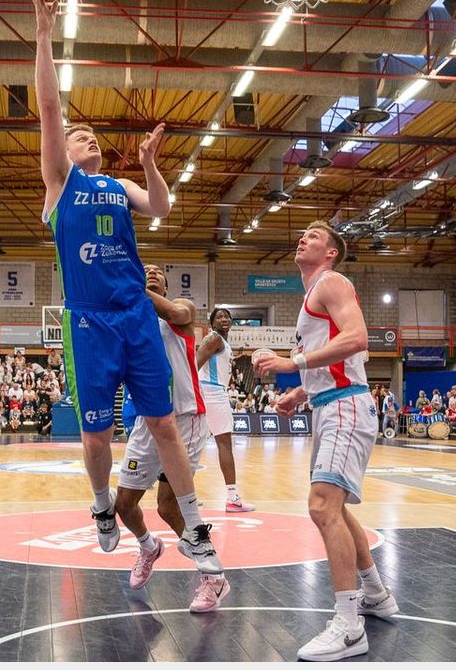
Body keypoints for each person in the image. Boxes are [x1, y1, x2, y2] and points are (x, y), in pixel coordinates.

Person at [31, 0, 217, 564]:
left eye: (90, 136)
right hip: (88, 321)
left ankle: (195, 526)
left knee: (164, 424)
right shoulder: (60, 184)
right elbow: (50, 109)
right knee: (95, 434)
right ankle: (99, 505)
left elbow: (160, 207)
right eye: (76, 136)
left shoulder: (117, 185)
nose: (84, 137)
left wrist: (152, 165)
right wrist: (43, 34)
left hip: (135, 314)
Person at [253, 221, 397, 661]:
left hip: (345, 408)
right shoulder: (313, 295)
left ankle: (349, 626)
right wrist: (299, 394)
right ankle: (375, 593)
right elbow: (338, 361)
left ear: (331, 252)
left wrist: (290, 362)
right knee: (335, 507)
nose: (303, 238)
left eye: (314, 236)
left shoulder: (331, 282)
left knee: (322, 507)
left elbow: (357, 339)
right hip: (330, 404)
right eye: (302, 234)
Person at [116, 265, 226, 610]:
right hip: (148, 419)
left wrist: (132, 284)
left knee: (168, 505)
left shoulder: (181, 310)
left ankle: (214, 578)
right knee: (123, 505)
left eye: (158, 272)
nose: (151, 272)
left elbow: (177, 313)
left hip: (185, 417)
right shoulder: (131, 322)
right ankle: (148, 546)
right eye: (145, 270)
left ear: (165, 285)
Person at [195, 307, 254, 513]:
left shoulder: (223, 343)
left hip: (208, 391)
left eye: (226, 316)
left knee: (193, 445)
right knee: (224, 444)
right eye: (219, 317)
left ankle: (183, 495)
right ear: (211, 323)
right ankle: (232, 498)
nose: (223, 319)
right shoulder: (214, 339)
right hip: (211, 392)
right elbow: (194, 365)